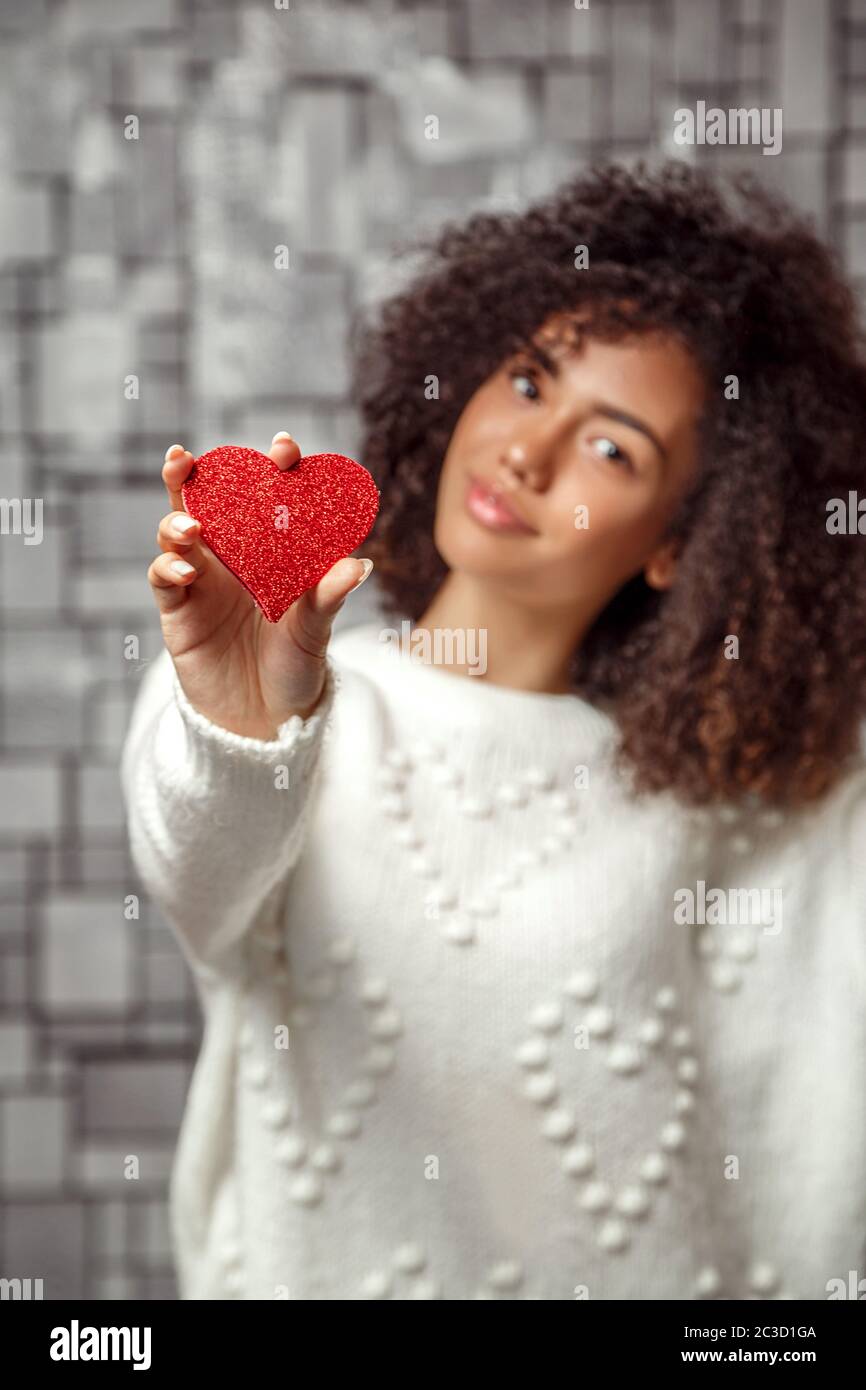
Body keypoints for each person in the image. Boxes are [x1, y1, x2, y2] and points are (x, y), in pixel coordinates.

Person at [121, 161, 866, 1301]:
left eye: (612, 447)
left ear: (680, 544)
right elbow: (201, 884)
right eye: (526, 380)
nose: (527, 451)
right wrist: (240, 719)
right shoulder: (289, 710)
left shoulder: (722, 796)